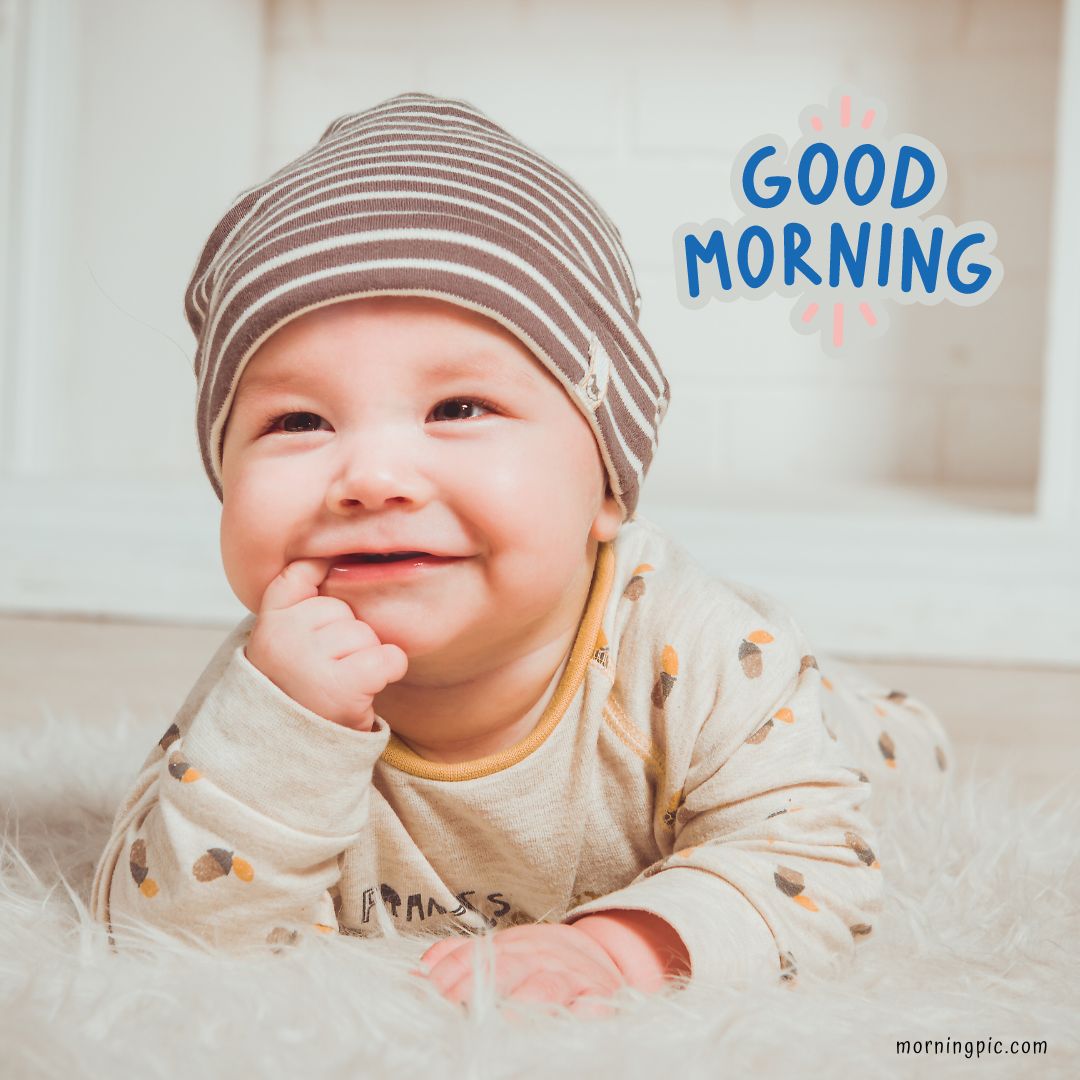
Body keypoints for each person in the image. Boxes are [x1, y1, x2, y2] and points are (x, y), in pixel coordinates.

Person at [90, 92, 951, 1015]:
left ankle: (861, 707)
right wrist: (281, 738)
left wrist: (621, 950)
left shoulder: (698, 648)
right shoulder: (272, 688)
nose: (373, 477)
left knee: (868, 755)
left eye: (458, 408)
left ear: (608, 486)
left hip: (772, 708)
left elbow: (813, 863)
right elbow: (164, 932)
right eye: (298, 419)